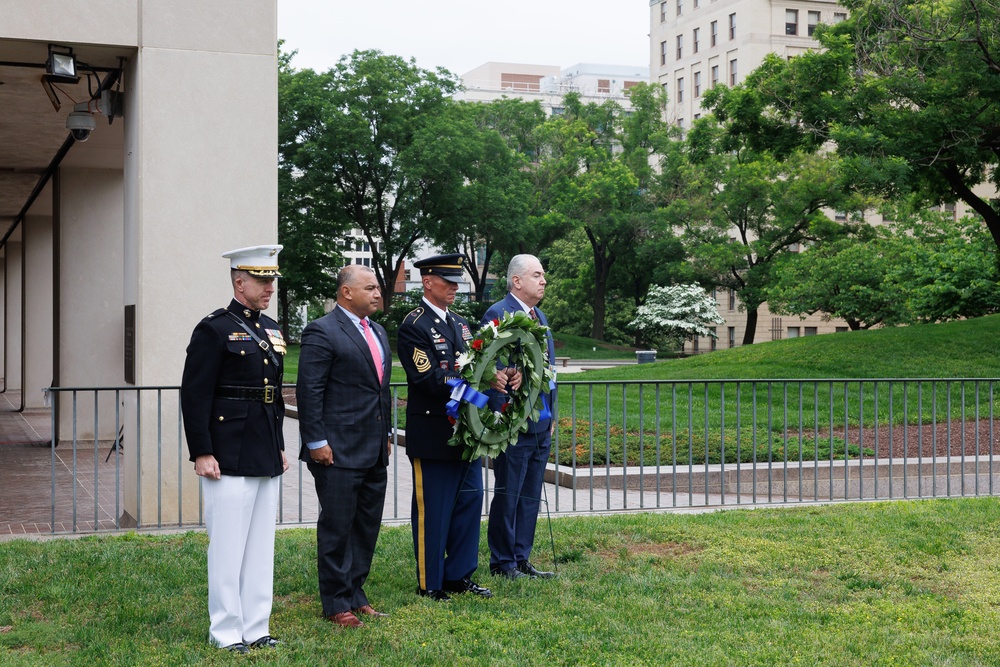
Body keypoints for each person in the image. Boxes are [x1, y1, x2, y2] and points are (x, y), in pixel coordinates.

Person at [181, 244, 289, 654]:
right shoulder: (214, 329)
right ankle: (226, 631)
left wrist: (279, 445)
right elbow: (195, 395)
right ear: (238, 281)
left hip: (263, 448)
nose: (269, 288)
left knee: (261, 547)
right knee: (228, 548)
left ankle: (256, 626)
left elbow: (273, 396)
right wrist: (201, 451)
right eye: (262, 280)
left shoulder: (272, 329)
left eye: (272, 280)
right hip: (225, 452)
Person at [296, 265, 392, 629]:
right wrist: (316, 441)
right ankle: (335, 602)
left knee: (366, 526)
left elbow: (379, 391)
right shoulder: (321, 331)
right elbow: (310, 391)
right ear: (346, 292)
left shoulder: (378, 331)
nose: (378, 293)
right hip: (335, 452)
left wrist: (386, 434)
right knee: (338, 527)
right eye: (370, 288)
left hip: (373, 449)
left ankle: (356, 593)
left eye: (378, 288)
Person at [397, 253, 498, 601]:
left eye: (457, 282)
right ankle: (431, 582)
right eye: (448, 281)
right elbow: (428, 378)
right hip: (434, 431)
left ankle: (459, 574)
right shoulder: (414, 324)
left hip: (466, 433)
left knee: (469, 503)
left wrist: (495, 378)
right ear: (428, 282)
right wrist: (473, 386)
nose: (456, 287)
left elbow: (479, 363)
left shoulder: (460, 323)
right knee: (434, 511)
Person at [485, 254, 557, 580]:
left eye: (543, 275)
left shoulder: (539, 315)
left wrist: (553, 412)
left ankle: (521, 557)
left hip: (542, 422)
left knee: (529, 495)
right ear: (517, 281)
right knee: (509, 493)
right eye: (537, 275)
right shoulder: (498, 314)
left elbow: (549, 372)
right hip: (514, 423)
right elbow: (489, 369)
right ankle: (503, 562)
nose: (543, 281)